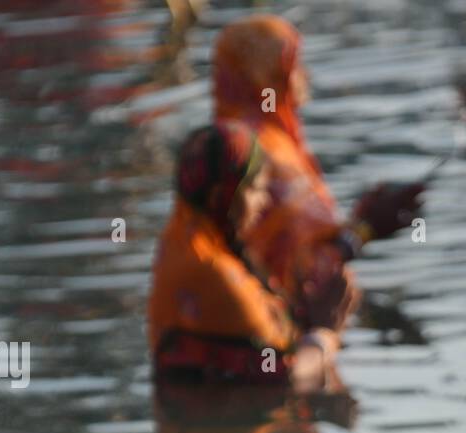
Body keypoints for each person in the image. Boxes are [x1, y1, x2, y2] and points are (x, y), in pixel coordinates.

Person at [212, 15, 424, 300]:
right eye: (293, 64)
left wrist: (362, 222)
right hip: (277, 328)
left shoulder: (234, 141)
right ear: (268, 74)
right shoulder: (261, 152)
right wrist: (362, 230)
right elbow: (300, 272)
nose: (304, 75)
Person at [147, 121, 353, 391]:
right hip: (234, 426)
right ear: (220, 196)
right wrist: (325, 335)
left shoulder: (180, 243)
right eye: (255, 189)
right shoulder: (213, 271)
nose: (263, 201)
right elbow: (280, 378)